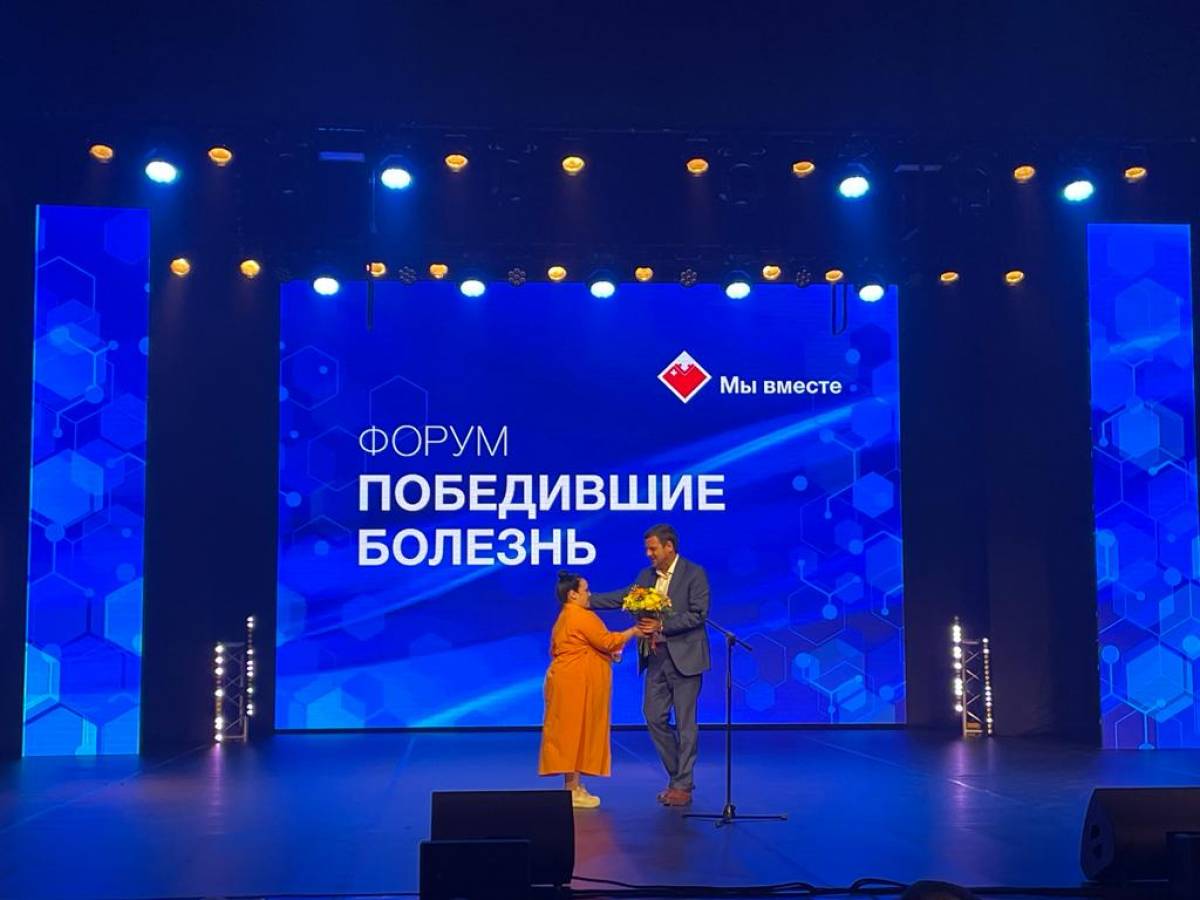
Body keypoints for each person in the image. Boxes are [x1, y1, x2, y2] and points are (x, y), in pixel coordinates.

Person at [591, 524, 711, 807]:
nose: (648, 554)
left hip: (685, 658)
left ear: (669, 547)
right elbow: (623, 596)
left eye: (653, 548)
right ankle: (678, 777)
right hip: (656, 658)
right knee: (654, 716)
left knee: (685, 724)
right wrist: (587, 601)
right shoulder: (646, 576)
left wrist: (662, 625)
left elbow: (699, 614)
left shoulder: (694, 573)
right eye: (647, 549)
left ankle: (682, 785)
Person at [538, 570, 640, 809]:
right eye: (585, 590)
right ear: (572, 595)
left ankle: (575, 785)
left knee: (576, 732)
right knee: (572, 734)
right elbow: (607, 641)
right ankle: (571, 790)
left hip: (571, 681)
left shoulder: (568, 616)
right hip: (573, 683)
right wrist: (634, 631)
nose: (589, 594)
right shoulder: (579, 616)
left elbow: (593, 645)